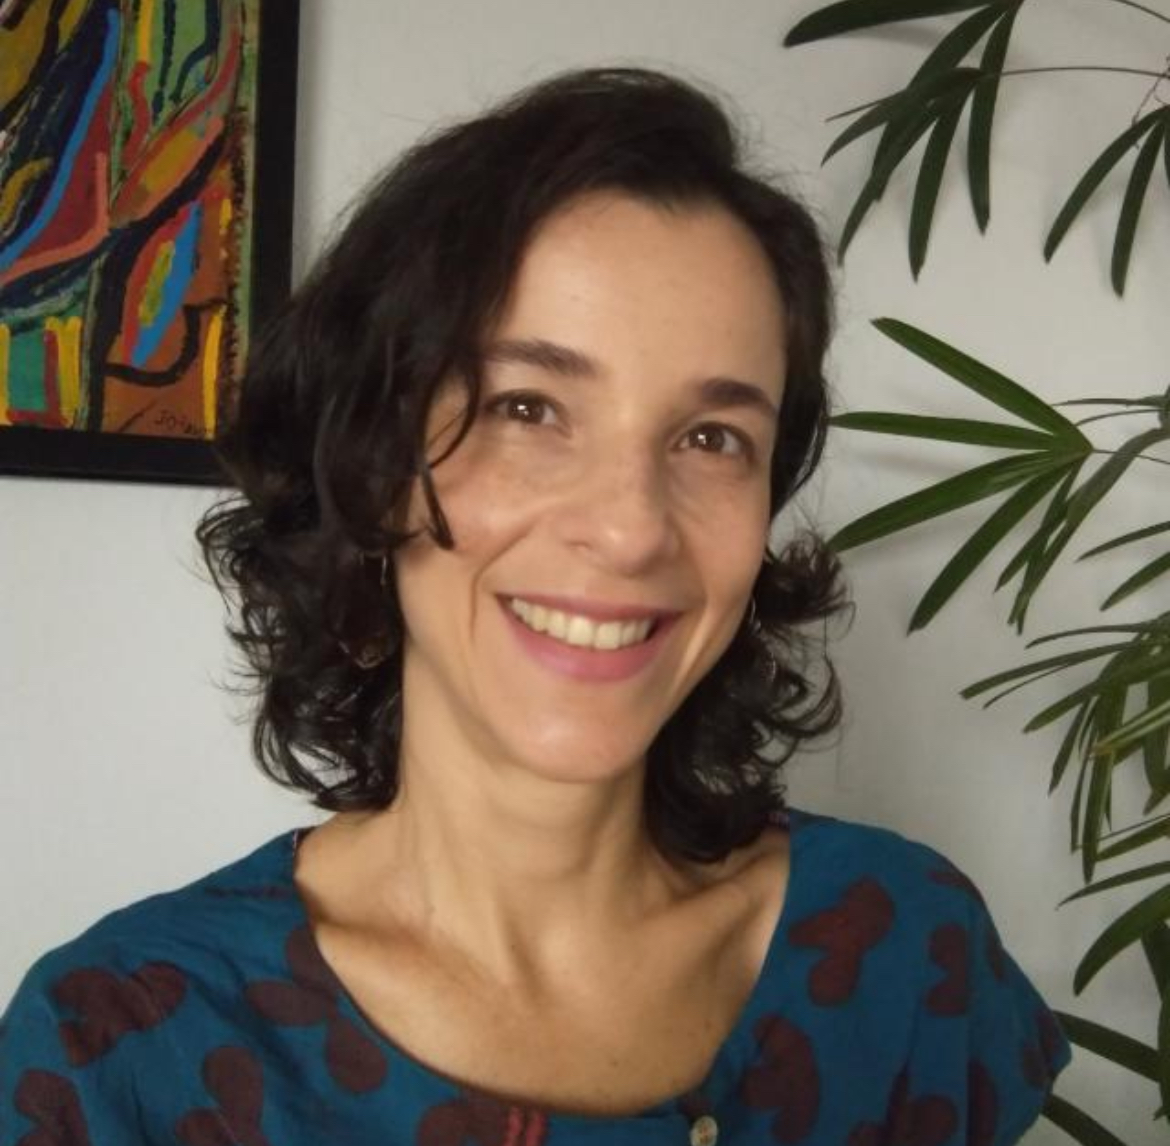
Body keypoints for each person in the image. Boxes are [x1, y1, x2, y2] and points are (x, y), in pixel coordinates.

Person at [1, 68, 1069, 1145]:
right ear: (373, 469)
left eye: (712, 438)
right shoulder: (117, 1049)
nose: (632, 527)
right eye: (528, 408)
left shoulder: (906, 954)